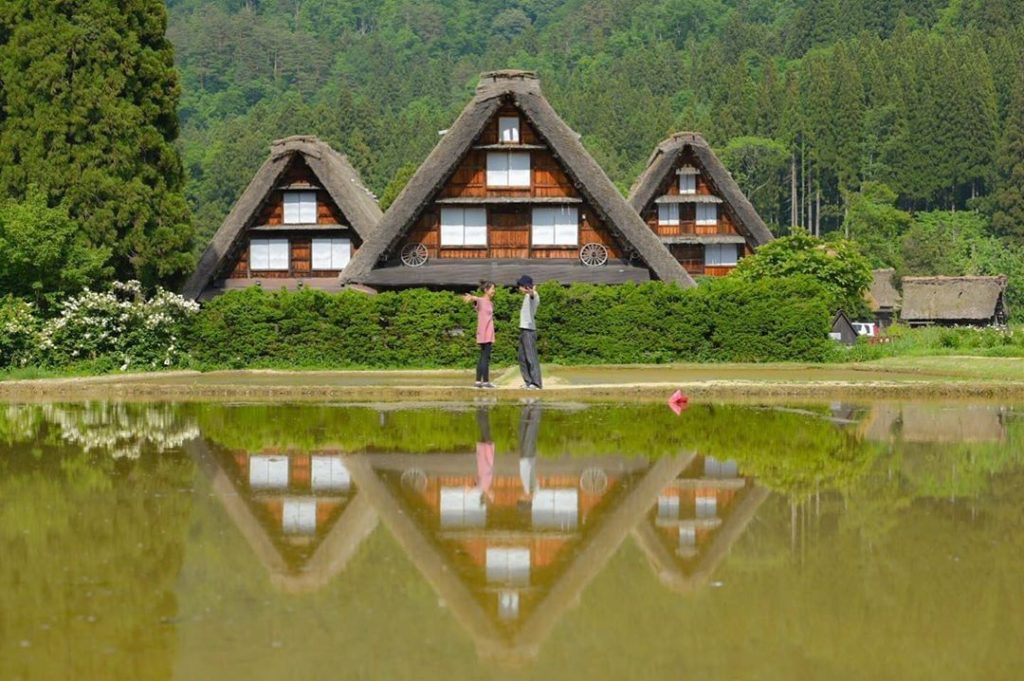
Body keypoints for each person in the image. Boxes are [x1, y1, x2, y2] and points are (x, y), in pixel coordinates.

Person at [463, 281, 496, 388]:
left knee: (483, 357)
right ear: (486, 290)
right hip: (485, 333)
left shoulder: (490, 303)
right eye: (492, 289)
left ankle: (478, 381)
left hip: (487, 333)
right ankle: (485, 382)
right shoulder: (481, 301)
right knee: (485, 357)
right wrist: (471, 297)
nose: (494, 291)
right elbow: (476, 299)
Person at [516, 275, 542, 389]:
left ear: (525, 286)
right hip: (523, 329)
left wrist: (531, 291)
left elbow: (533, 296)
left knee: (531, 357)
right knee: (522, 358)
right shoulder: (526, 296)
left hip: (529, 330)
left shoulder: (534, 295)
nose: (519, 289)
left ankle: (536, 383)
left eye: (520, 286)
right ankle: (528, 382)